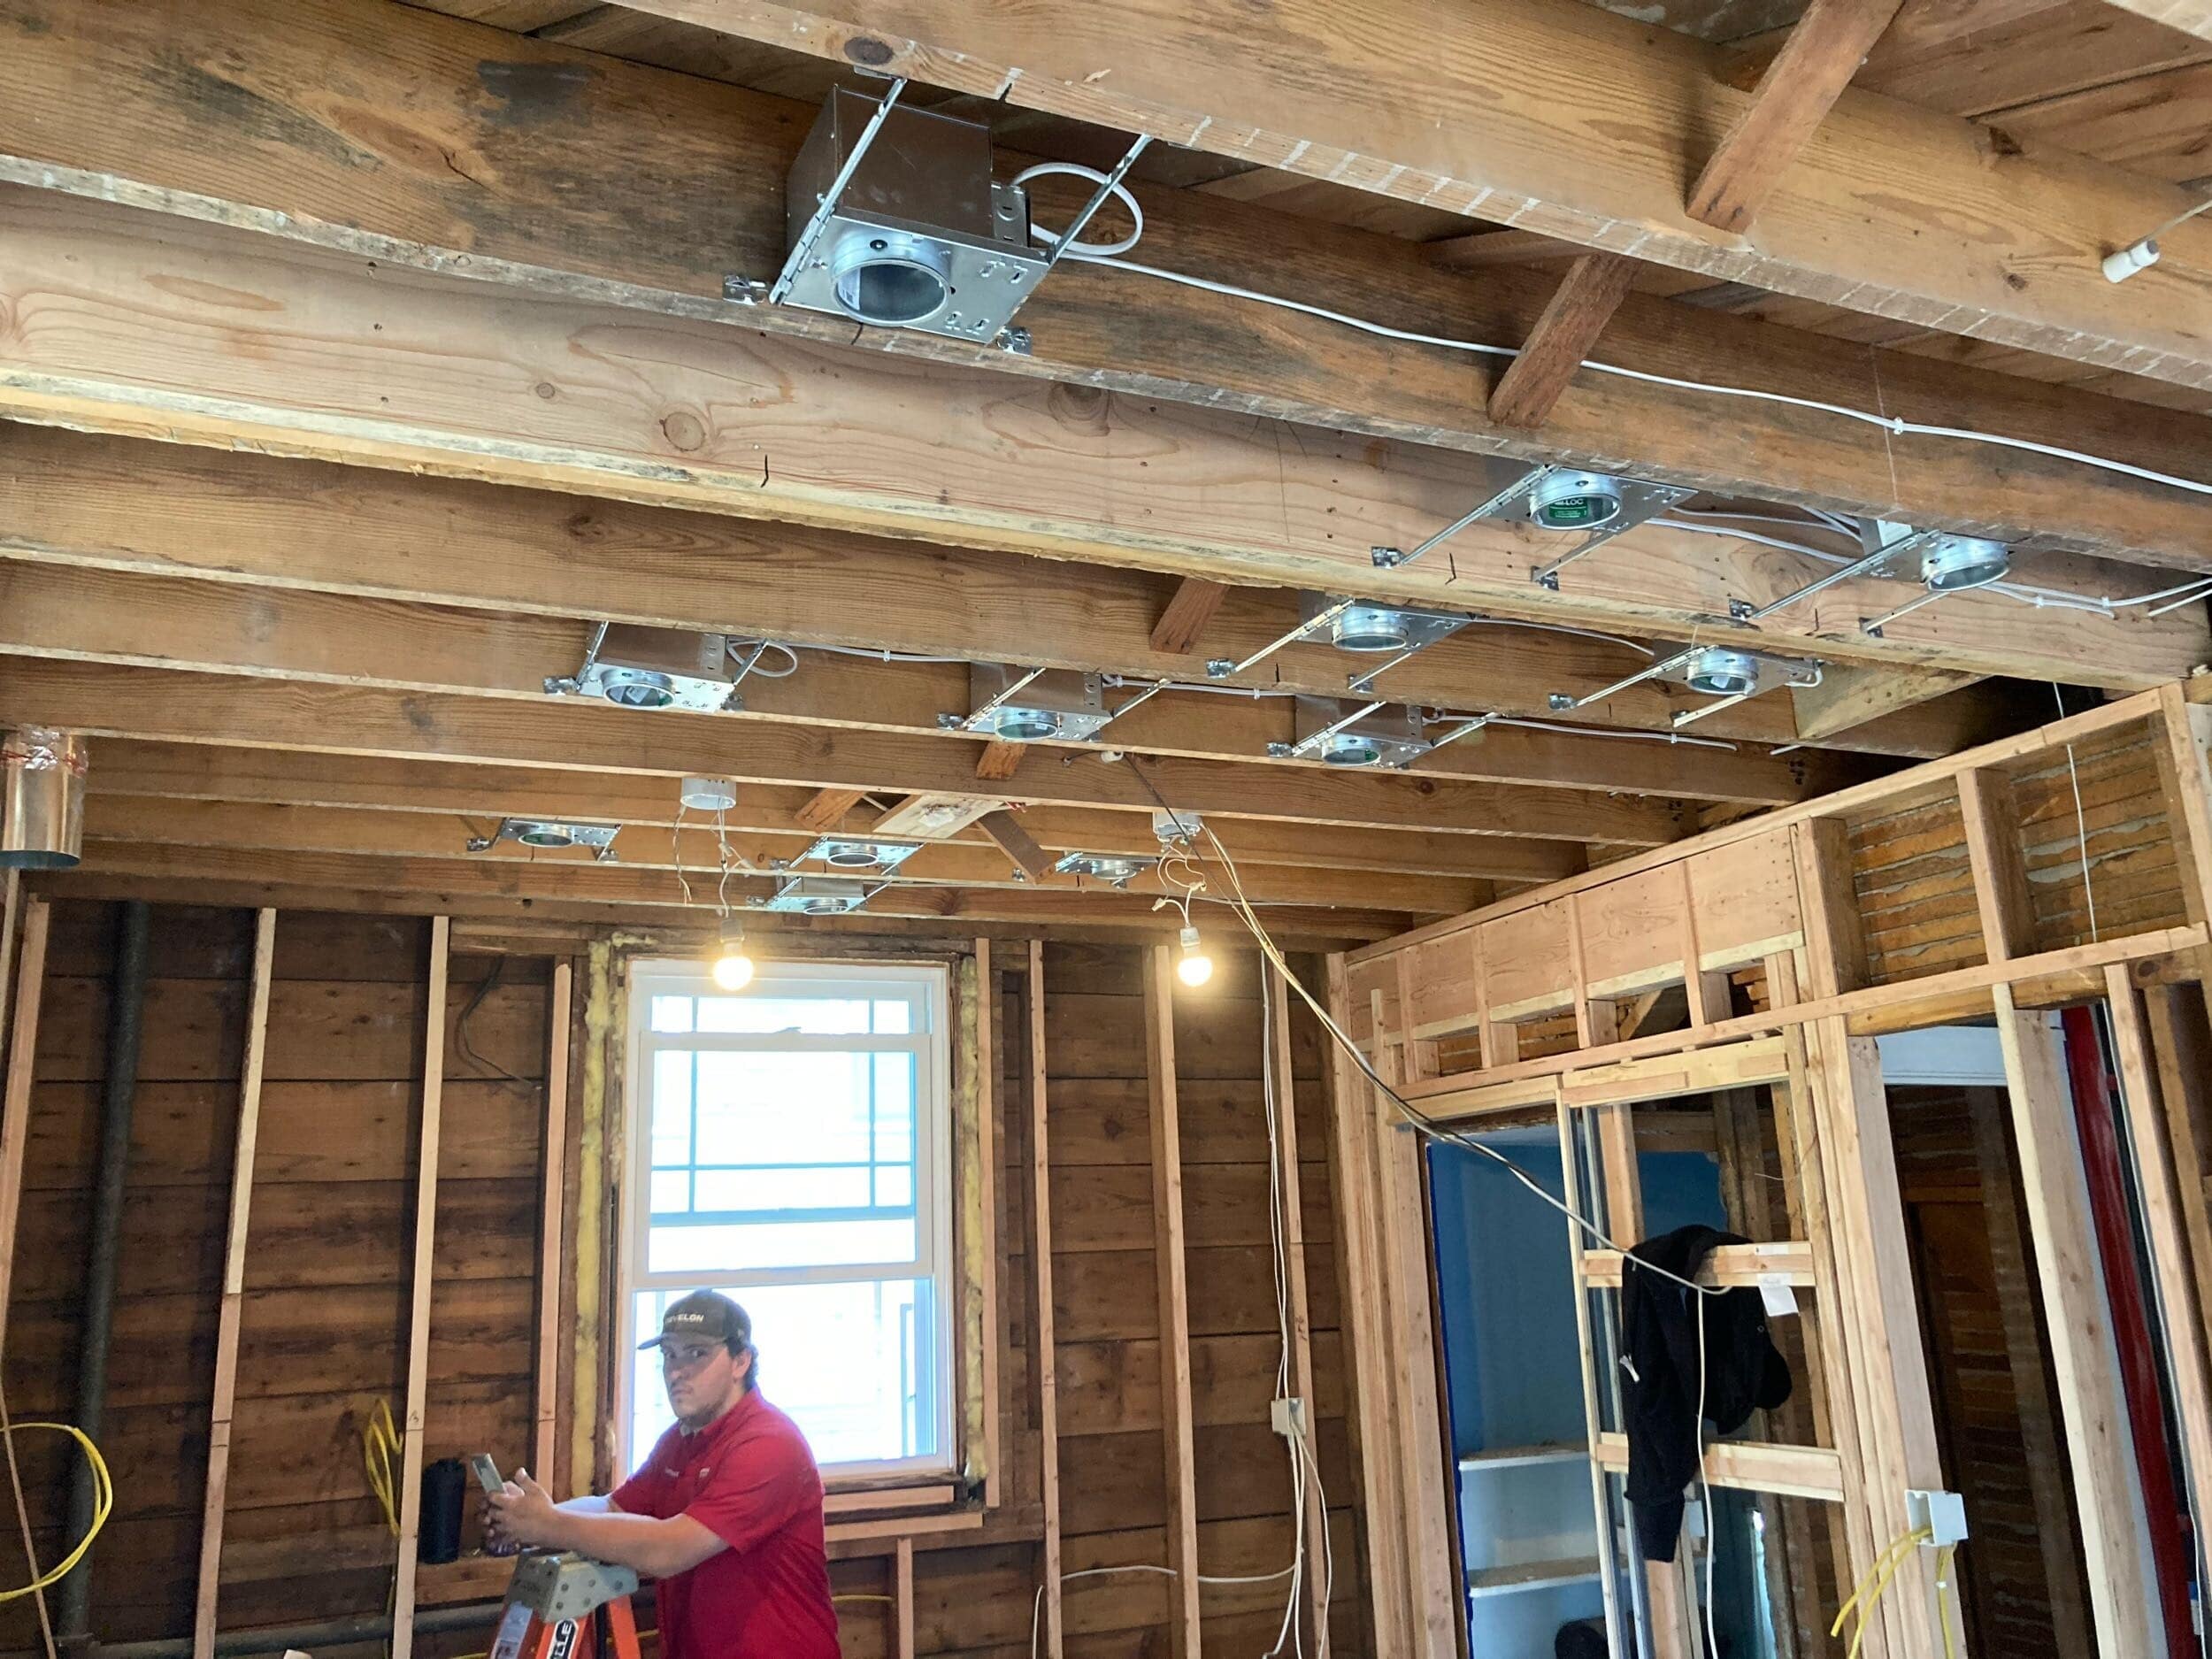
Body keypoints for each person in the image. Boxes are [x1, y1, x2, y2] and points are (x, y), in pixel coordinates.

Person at [486, 1290, 841, 1659]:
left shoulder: (769, 1443)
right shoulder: (680, 1440)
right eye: (669, 1354)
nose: (675, 1371)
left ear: (741, 1361)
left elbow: (671, 1549)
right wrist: (525, 1516)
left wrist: (547, 1524)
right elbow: (613, 1507)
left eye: (697, 1354)